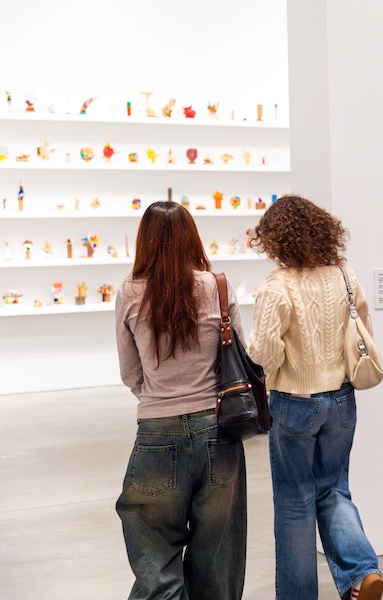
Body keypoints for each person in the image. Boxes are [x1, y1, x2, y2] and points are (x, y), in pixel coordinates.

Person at [248, 195, 383, 600]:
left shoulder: (277, 287)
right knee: (333, 489)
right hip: (342, 400)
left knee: (295, 501)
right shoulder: (344, 275)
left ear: (275, 241)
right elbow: (364, 329)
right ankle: (361, 574)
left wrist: (251, 350)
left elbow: (265, 354)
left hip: (295, 402)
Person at [114, 200, 247, 600]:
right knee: (217, 559)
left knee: (155, 559)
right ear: (192, 236)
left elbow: (130, 373)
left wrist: (159, 398)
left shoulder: (129, 293)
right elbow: (242, 356)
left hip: (156, 433)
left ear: (144, 242)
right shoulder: (217, 286)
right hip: (217, 430)